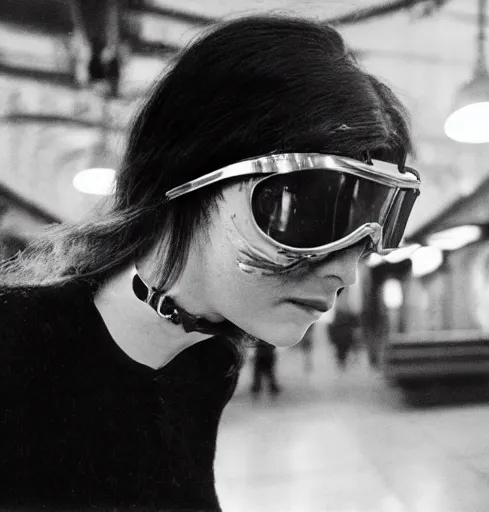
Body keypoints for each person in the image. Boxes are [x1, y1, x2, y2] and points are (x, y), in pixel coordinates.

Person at [0, 14, 420, 511]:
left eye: (376, 223)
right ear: (191, 175)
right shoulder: (14, 341)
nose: (345, 272)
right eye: (309, 209)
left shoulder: (209, 360)